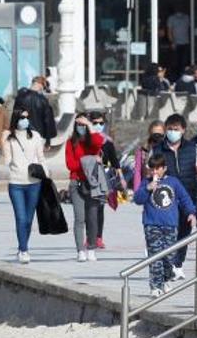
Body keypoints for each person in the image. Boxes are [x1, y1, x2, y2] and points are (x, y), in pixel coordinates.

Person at [152, 113, 197, 278]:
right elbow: (149, 171)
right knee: (168, 230)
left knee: (184, 231)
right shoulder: (158, 149)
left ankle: (177, 263)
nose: (172, 132)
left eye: (176, 129)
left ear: (183, 130)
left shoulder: (192, 148)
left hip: (188, 195)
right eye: (169, 129)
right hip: (166, 198)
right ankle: (168, 263)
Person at [134, 153, 197, 297]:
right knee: (155, 256)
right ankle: (155, 285)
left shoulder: (173, 182)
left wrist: (191, 213)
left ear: (164, 168)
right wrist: (147, 188)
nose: (155, 172)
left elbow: (184, 198)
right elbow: (138, 199)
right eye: (152, 169)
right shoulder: (146, 182)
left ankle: (166, 279)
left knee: (169, 256)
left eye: (158, 168)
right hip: (152, 224)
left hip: (170, 225)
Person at [2, 109, 49, 264]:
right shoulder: (10, 138)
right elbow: (7, 161)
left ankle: (23, 246)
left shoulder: (35, 136)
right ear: (16, 119)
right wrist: (3, 141)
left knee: (29, 219)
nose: (25, 120)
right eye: (22, 118)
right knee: (21, 218)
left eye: (27, 118)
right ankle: (23, 250)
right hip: (16, 183)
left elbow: (41, 157)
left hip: (34, 183)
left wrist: (46, 174)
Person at [65, 114, 105, 262]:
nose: (81, 127)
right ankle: (80, 250)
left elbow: (99, 142)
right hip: (77, 182)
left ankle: (91, 248)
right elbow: (71, 165)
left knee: (92, 217)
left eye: (84, 124)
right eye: (79, 124)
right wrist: (90, 160)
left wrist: (90, 124)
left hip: (93, 183)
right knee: (79, 217)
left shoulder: (92, 141)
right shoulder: (71, 142)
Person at [88, 111, 124, 249]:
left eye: (101, 123)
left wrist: (121, 177)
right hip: (88, 176)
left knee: (99, 209)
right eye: (95, 123)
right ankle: (89, 236)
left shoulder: (107, 142)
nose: (98, 125)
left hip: (103, 176)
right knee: (89, 209)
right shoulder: (85, 140)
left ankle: (98, 237)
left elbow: (114, 161)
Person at [13, 76, 57, 146]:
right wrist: (48, 141)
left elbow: (14, 116)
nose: (43, 88)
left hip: (22, 134)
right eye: (43, 86)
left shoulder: (20, 97)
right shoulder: (43, 100)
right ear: (40, 84)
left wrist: (12, 133)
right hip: (38, 135)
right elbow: (47, 121)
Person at [132, 120, 165, 192]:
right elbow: (137, 171)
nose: (157, 136)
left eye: (160, 133)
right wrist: (137, 190)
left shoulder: (167, 149)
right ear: (150, 133)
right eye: (155, 133)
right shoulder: (142, 150)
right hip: (147, 185)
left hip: (164, 186)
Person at [167, 8, 192, 75]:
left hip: (186, 42)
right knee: (175, 62)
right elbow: (169, 31)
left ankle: (183, 75)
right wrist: (172, 42)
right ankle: (175, 76)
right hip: (176, 43)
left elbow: (190, 29)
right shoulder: (172, 18)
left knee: (184, 62)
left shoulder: (187, 17)